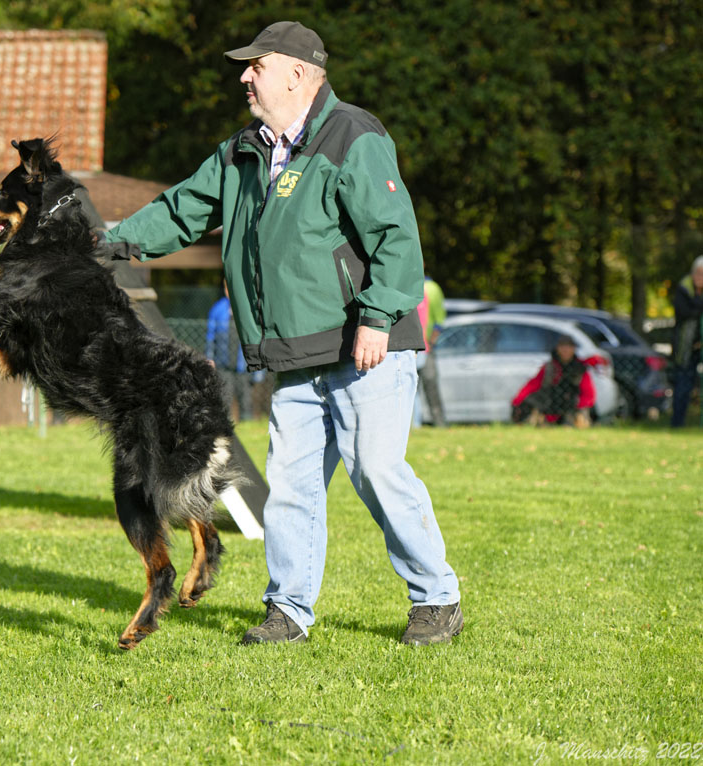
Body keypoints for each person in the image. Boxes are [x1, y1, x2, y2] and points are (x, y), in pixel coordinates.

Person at [102, 21, 461, 646]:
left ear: (296, 73)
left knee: (376, 471)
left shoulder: (354, 134)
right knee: (290, 488)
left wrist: (376, 318)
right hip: (296, 353)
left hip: (365, 344)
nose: (244, 76)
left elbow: (396, 236)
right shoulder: (243, 151)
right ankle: (288, 610)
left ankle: (437, 599)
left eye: (256, 66)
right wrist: (107, 244)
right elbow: (182, 209)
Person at [511, 335, 595, 427]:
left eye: (569, 347)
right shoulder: (549, 367)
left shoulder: (580, 368)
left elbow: (588, 394)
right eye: (562, 346)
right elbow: (533, 384)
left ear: (574, 349)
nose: (565, 350)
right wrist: (518, 400)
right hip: (549, 406)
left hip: (571, 407)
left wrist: (581, 408)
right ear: (557, 348)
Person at [206, 284, 255, 421]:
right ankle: (225, 425)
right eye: (228, 288)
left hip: (243, 365)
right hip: (224, 365)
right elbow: (210, 337)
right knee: (224, 399)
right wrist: (210, 358)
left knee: (245, 399)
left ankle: (248, 425)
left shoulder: (247, 307)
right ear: (225, 289)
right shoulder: (218, 309)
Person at [670, 255, 703, 427]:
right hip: (685, 346)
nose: (700, 277)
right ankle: (677, 423)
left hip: (699, 344)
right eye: (698, 273)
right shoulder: (684, 288)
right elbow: (685, 312)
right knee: (683, 383)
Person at [414, 276, 447, 427]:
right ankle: (415, 425)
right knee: (412, 390)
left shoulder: (431, 288)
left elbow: (439, 322)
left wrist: (431, 343)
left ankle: (438, 423)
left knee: (430, 387)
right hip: (411, 348)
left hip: (425, 348)